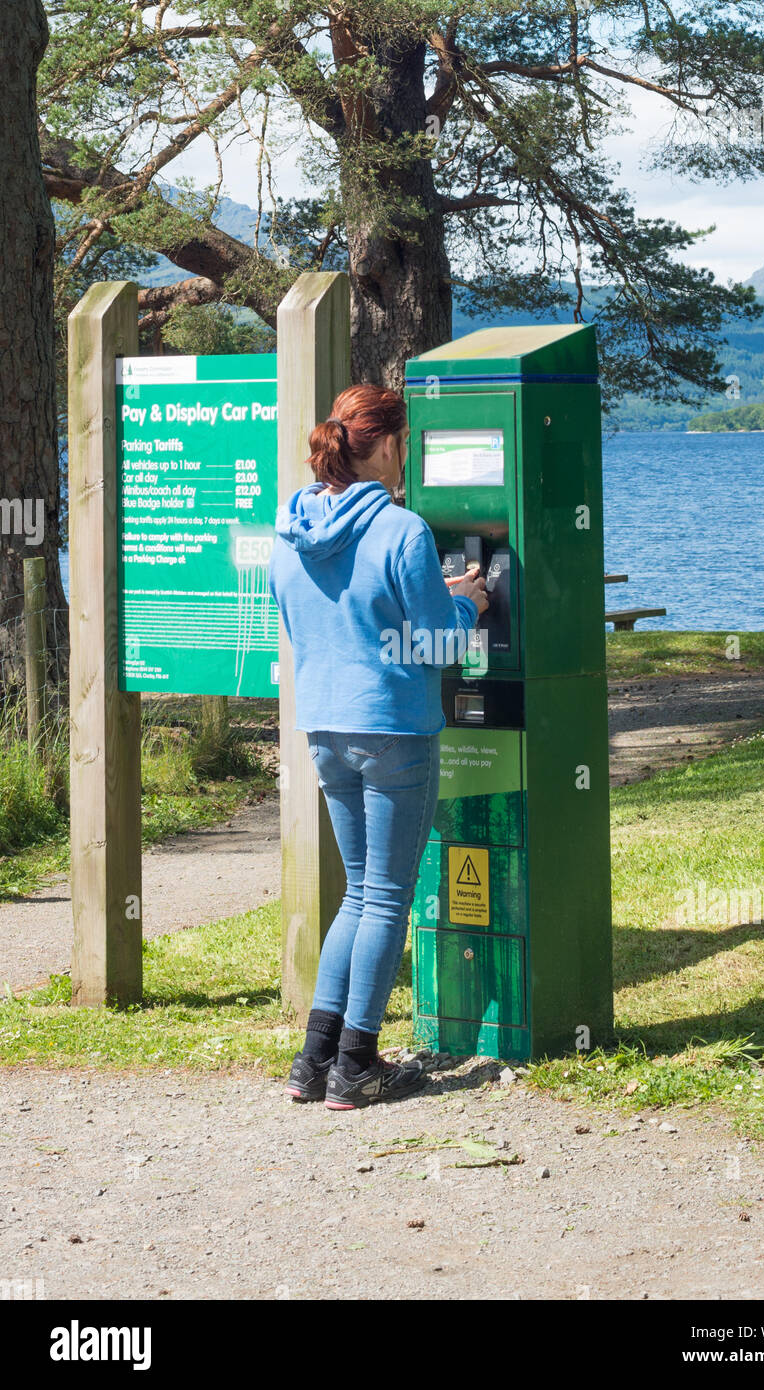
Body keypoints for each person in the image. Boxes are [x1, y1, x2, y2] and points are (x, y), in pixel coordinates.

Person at [268, 384, 489, 1110]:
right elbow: (437, 640)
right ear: (390, 443)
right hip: (393, 729)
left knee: (356, 894)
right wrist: (470, 602)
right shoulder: (402, 530)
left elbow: (312, 627)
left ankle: (314, 1060)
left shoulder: (289, 528)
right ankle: (358, 1062)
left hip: (325, 729)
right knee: (385, 897)